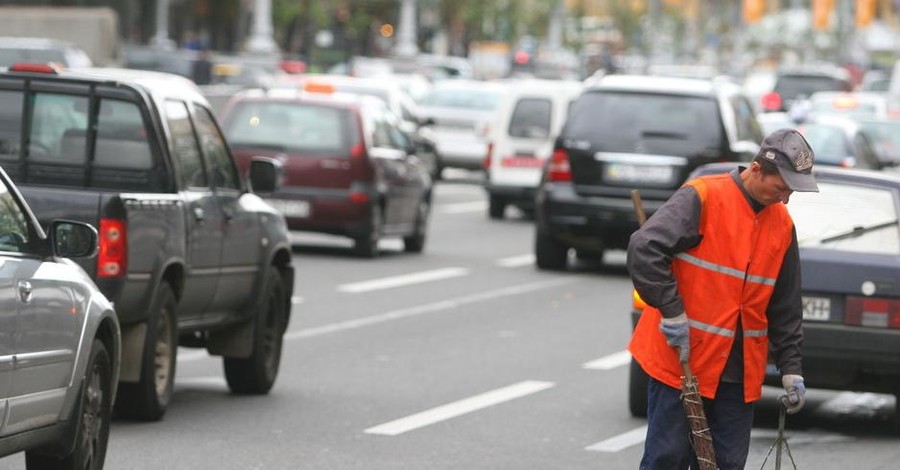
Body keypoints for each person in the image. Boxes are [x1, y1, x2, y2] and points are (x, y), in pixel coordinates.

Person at [627, 128, 817, 470]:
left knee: (726, 464)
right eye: (781, 188)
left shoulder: (782, 225)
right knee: (666, 459)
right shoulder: (703, 197)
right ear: (757, 169)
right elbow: (645, 249)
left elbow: (785, 305)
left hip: (738, 376)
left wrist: (791, 369)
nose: (785, 199)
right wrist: (672, 312)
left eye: (791, 192)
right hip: (683, 363)